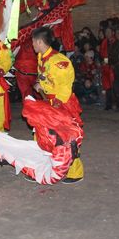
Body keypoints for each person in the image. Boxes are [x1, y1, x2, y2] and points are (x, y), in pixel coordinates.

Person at [31, 27, 83, 184]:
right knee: (41, 135)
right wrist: (40, 85)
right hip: (47, 102)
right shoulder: (41, 57)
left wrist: (57, 104)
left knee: (67, 138)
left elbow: (66, 86)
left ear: (40, 42)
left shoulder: (59, 61)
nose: (32, 45)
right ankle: (42, 168)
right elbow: (44, 77)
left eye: (33, 42)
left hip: (62, 104)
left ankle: (75, 172)